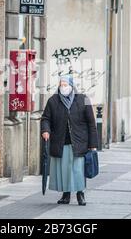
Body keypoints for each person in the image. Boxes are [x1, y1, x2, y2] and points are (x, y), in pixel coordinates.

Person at [41, 75, 98, 206]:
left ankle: (80, 194)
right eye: (61, 84)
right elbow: (46, 118)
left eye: (66, 84)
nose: (63, 87)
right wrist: (45, 130)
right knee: (64, 170)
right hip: (60, 142)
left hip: (79, 143)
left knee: (78, 170)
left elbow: (91, 124)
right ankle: (66, 195)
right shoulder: (53, 100)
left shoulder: (83, 99)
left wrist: (93, 145)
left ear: (72, 85)